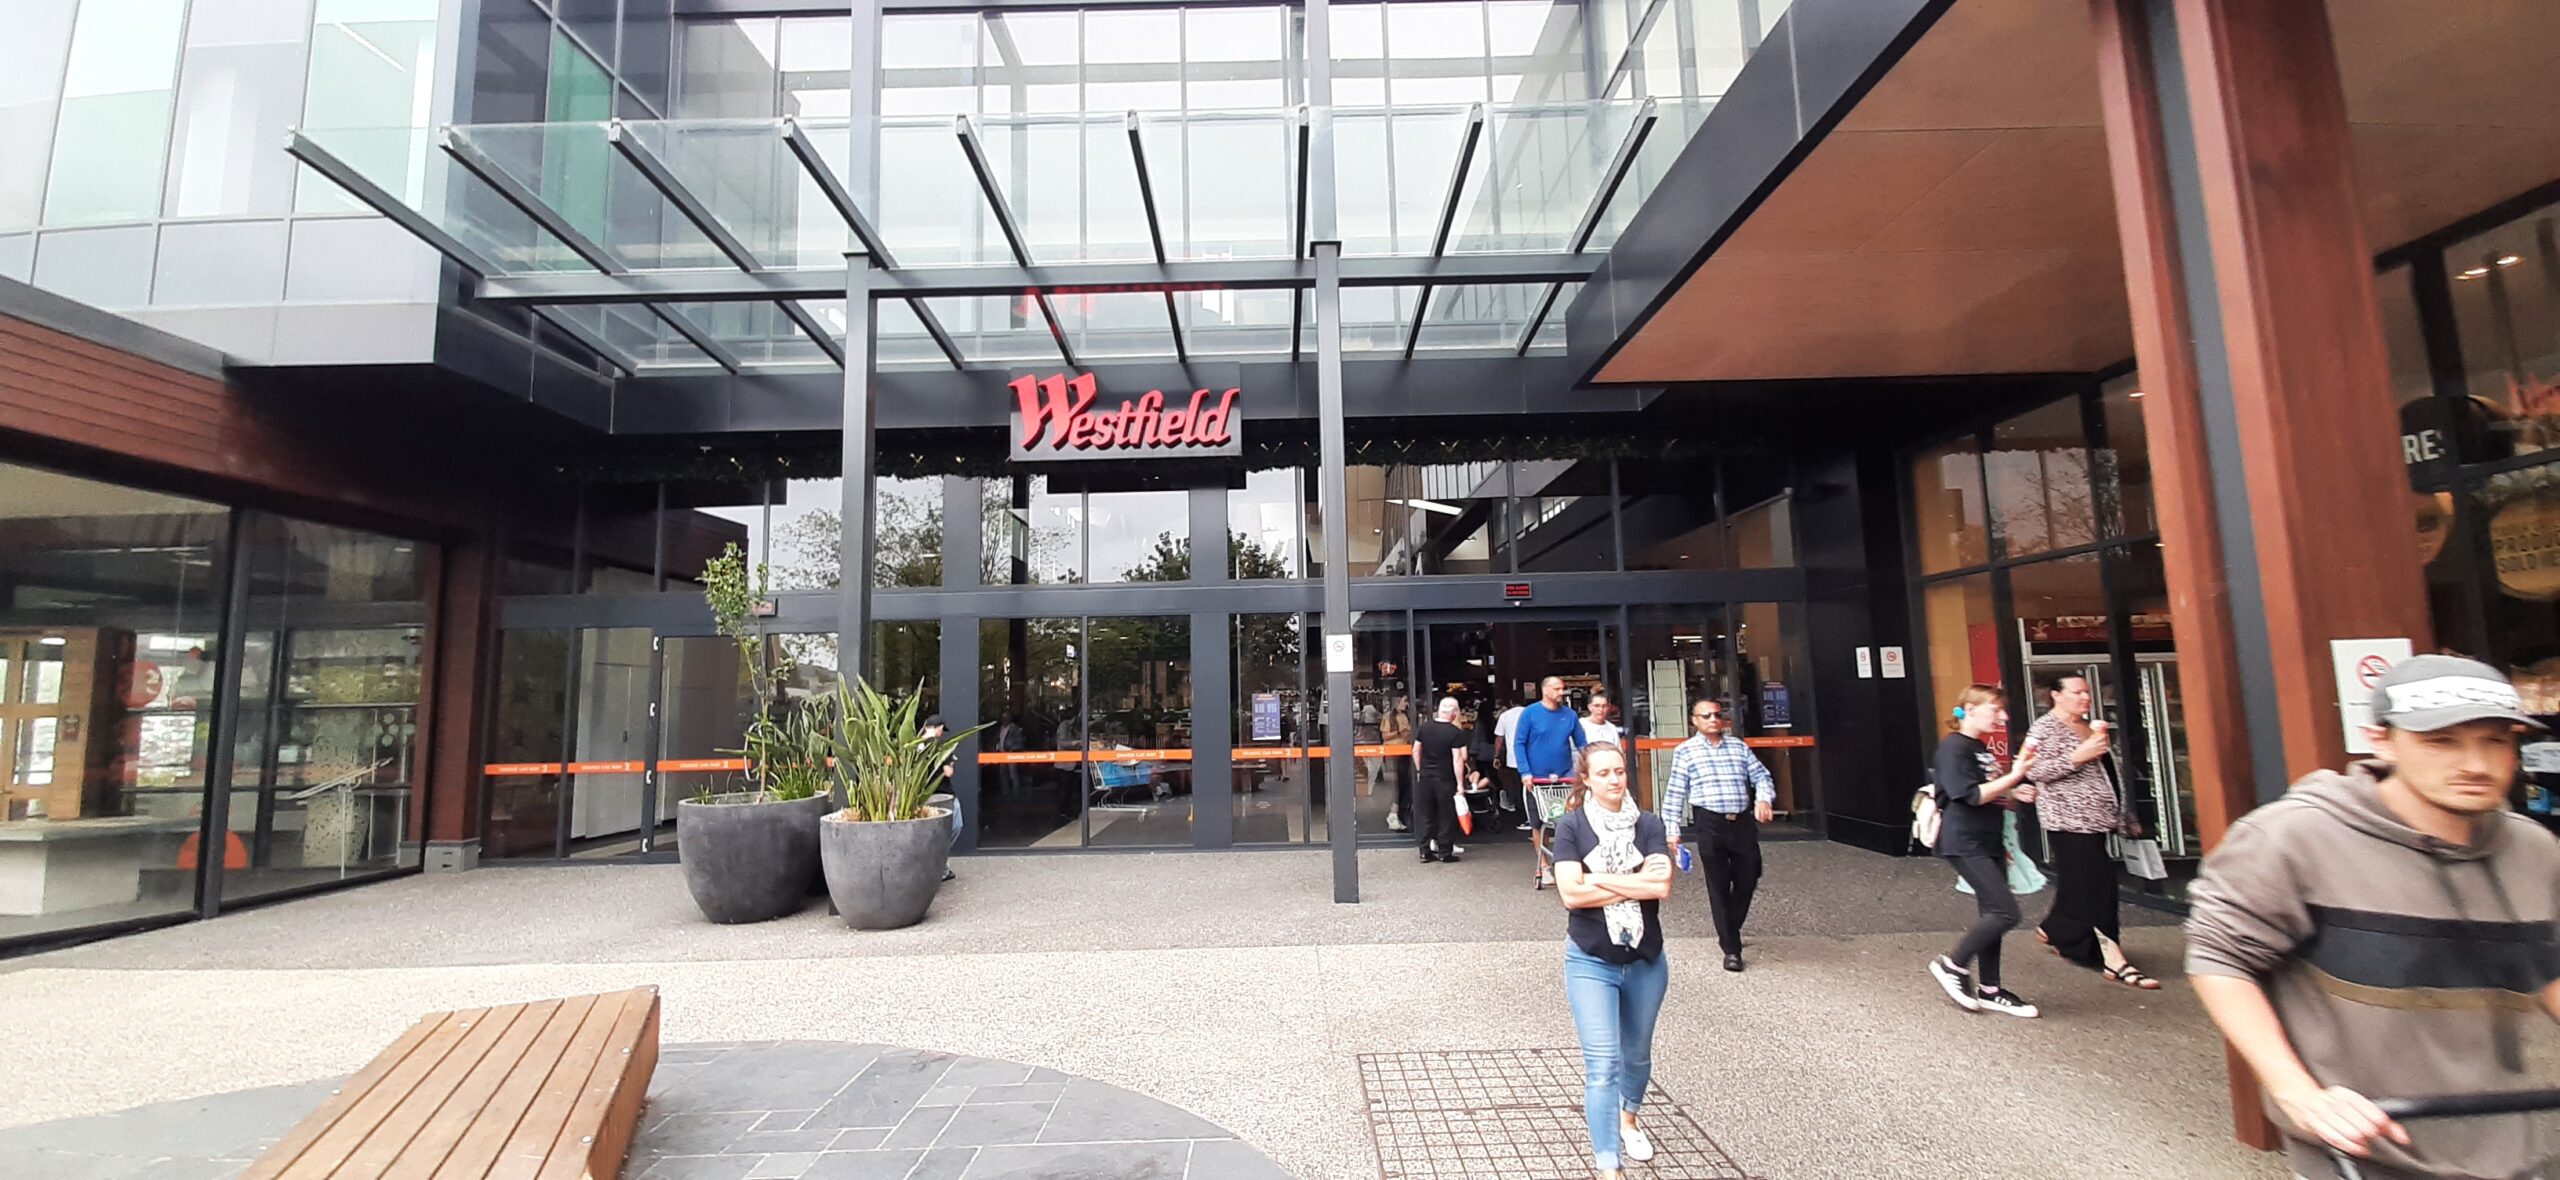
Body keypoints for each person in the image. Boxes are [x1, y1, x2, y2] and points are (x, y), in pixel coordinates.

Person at [2187, 655, 2560, 1179]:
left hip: (2515, 1139)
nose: (2475, 763)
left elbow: (2547, 966)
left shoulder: (2534, 849)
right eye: (2441, 741)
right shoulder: (2295, 838)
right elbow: (2219, 960)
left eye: (2496, 740)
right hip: (2366, 1145)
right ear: (2380, 740)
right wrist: (2298, 1095)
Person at [1550, 742, 1673, 1180]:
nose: (1614, 780)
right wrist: (1631, 882)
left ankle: (1629, 1119)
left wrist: (1597, 877)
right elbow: (1571, 894)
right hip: (1590, 959)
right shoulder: (1571, 827)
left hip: (1645, 959)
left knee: (1636, 1056)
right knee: (1603, 1064)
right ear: (1586, 779)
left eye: (1619, 771)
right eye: (1603, 773)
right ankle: (1608, 1165)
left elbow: (1660, 885)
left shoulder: (1649, 825)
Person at [2023, 674, 2156, 989]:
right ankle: (2114, 958)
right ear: (2056, 695)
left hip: (2099, 818)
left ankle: (2056, 928)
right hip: (2068, 819)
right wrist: (2076, 757)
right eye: (2076, 692)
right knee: (2100, 884)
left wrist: (2124, 813)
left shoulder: (2090, 726)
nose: (2085, 697)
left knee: (2075, 882)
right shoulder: (2045, 728)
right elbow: (2032, 770)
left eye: (2087, 692)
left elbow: (2109, 774)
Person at [1925, 685, 2044, 1018]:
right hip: (1963, 841)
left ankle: (1991, 989)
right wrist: (2015, 777)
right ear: (1970, 709)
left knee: (1992, 912)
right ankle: (1953, 964)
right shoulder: (1953, 749)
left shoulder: (1979, 748)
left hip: (1987, 839)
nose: (2002, 716)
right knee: (2006, 913)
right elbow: (1970, 795)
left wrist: (2014, 790)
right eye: (1995, 708)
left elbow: (1987, 791)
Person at [1661, 697, 1776, 972]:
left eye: (1716, 714)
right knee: (1719, 883)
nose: (1713, 720)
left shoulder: (1738, 747)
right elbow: (1675, 793)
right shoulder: (1686, 751)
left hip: (1742, 821)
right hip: (1710, 822)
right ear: (1694, 721)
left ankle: (1729, 926)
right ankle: (1731, 948)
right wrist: (1672, 831)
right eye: (1706, 716)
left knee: (1749, 876)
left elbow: (1762, 776)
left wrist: (1764, 799)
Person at [1412, 697, 1470, 863]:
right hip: (1445, 779)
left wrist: (1419, 770)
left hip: (1425, 777)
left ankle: (1424, 851)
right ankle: (1445, 852)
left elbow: (1416, 751)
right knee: (1446, 815)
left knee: (1426, 814)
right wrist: (1460, 784)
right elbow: (1458, 760)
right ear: (1453, 714)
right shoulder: (1454, 732)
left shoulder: (1424, 728)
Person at [921, 714, 961, 883]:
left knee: (930, 833)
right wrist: (951, 763)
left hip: (923, 797)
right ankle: (940, 865)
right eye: (941, 730)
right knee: (955, 826)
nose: (941, 733)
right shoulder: (941, 747)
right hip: (944, 795)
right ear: (938, 728)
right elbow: (948, 772)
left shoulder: (914, 746)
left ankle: (937, 865)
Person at [1497, 688, 1533, 830]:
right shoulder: (1531, 713)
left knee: (1517, 788)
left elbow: (1499, 737)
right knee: (1532, 788)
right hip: (1532, 757)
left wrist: (1496, 755)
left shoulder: (1505, 716)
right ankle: (1532, 816)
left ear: (1511, 702)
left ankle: (1523, 814)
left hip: (1513, 758)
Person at [1384, 694, 1415, 833]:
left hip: (1405, 751)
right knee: (1397, 784)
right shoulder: (1388, 717)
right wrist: (1398, 732)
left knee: (1404, 784)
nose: (1407, 704)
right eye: (1404, 701)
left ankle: (1399, 814)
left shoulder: (1406, 716)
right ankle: (1394, 813)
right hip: (1393, 752)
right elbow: (1385, 735)